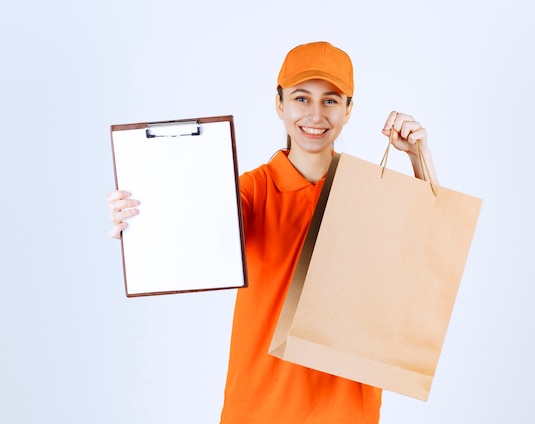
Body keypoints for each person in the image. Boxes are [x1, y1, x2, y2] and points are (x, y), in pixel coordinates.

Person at [107, 41, 438, 423]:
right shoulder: (250, 191)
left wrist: (418, 156)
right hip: (261, 409)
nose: (315, 114)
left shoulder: (368, 191)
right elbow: (189, 234)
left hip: (348, 412)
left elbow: (429, 255)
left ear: (349, 110)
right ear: (279, 104)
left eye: (331, 100)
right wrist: (136, 223)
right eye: (301, 98)